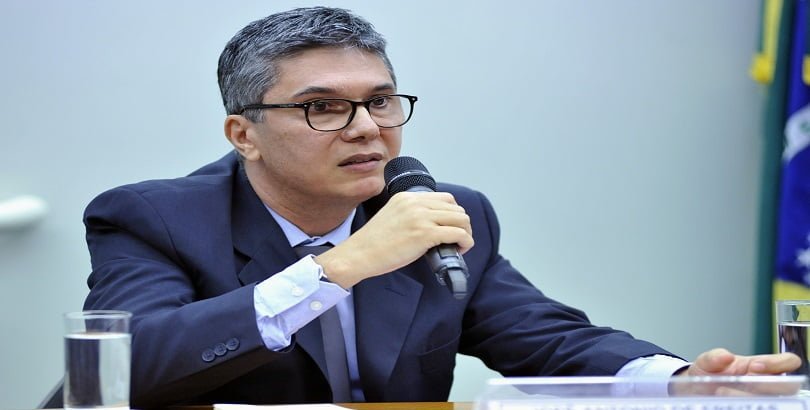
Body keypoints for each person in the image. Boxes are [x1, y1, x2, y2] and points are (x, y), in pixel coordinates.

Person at [74, 6, 798, 408]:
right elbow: (126, 368)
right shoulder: (151, 218)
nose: (367, 128)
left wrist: (681, 381)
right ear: (244, 135)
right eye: (323, 107)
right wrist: (339, 267)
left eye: (381, 101)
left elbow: (549, 340)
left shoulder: (440, 212)